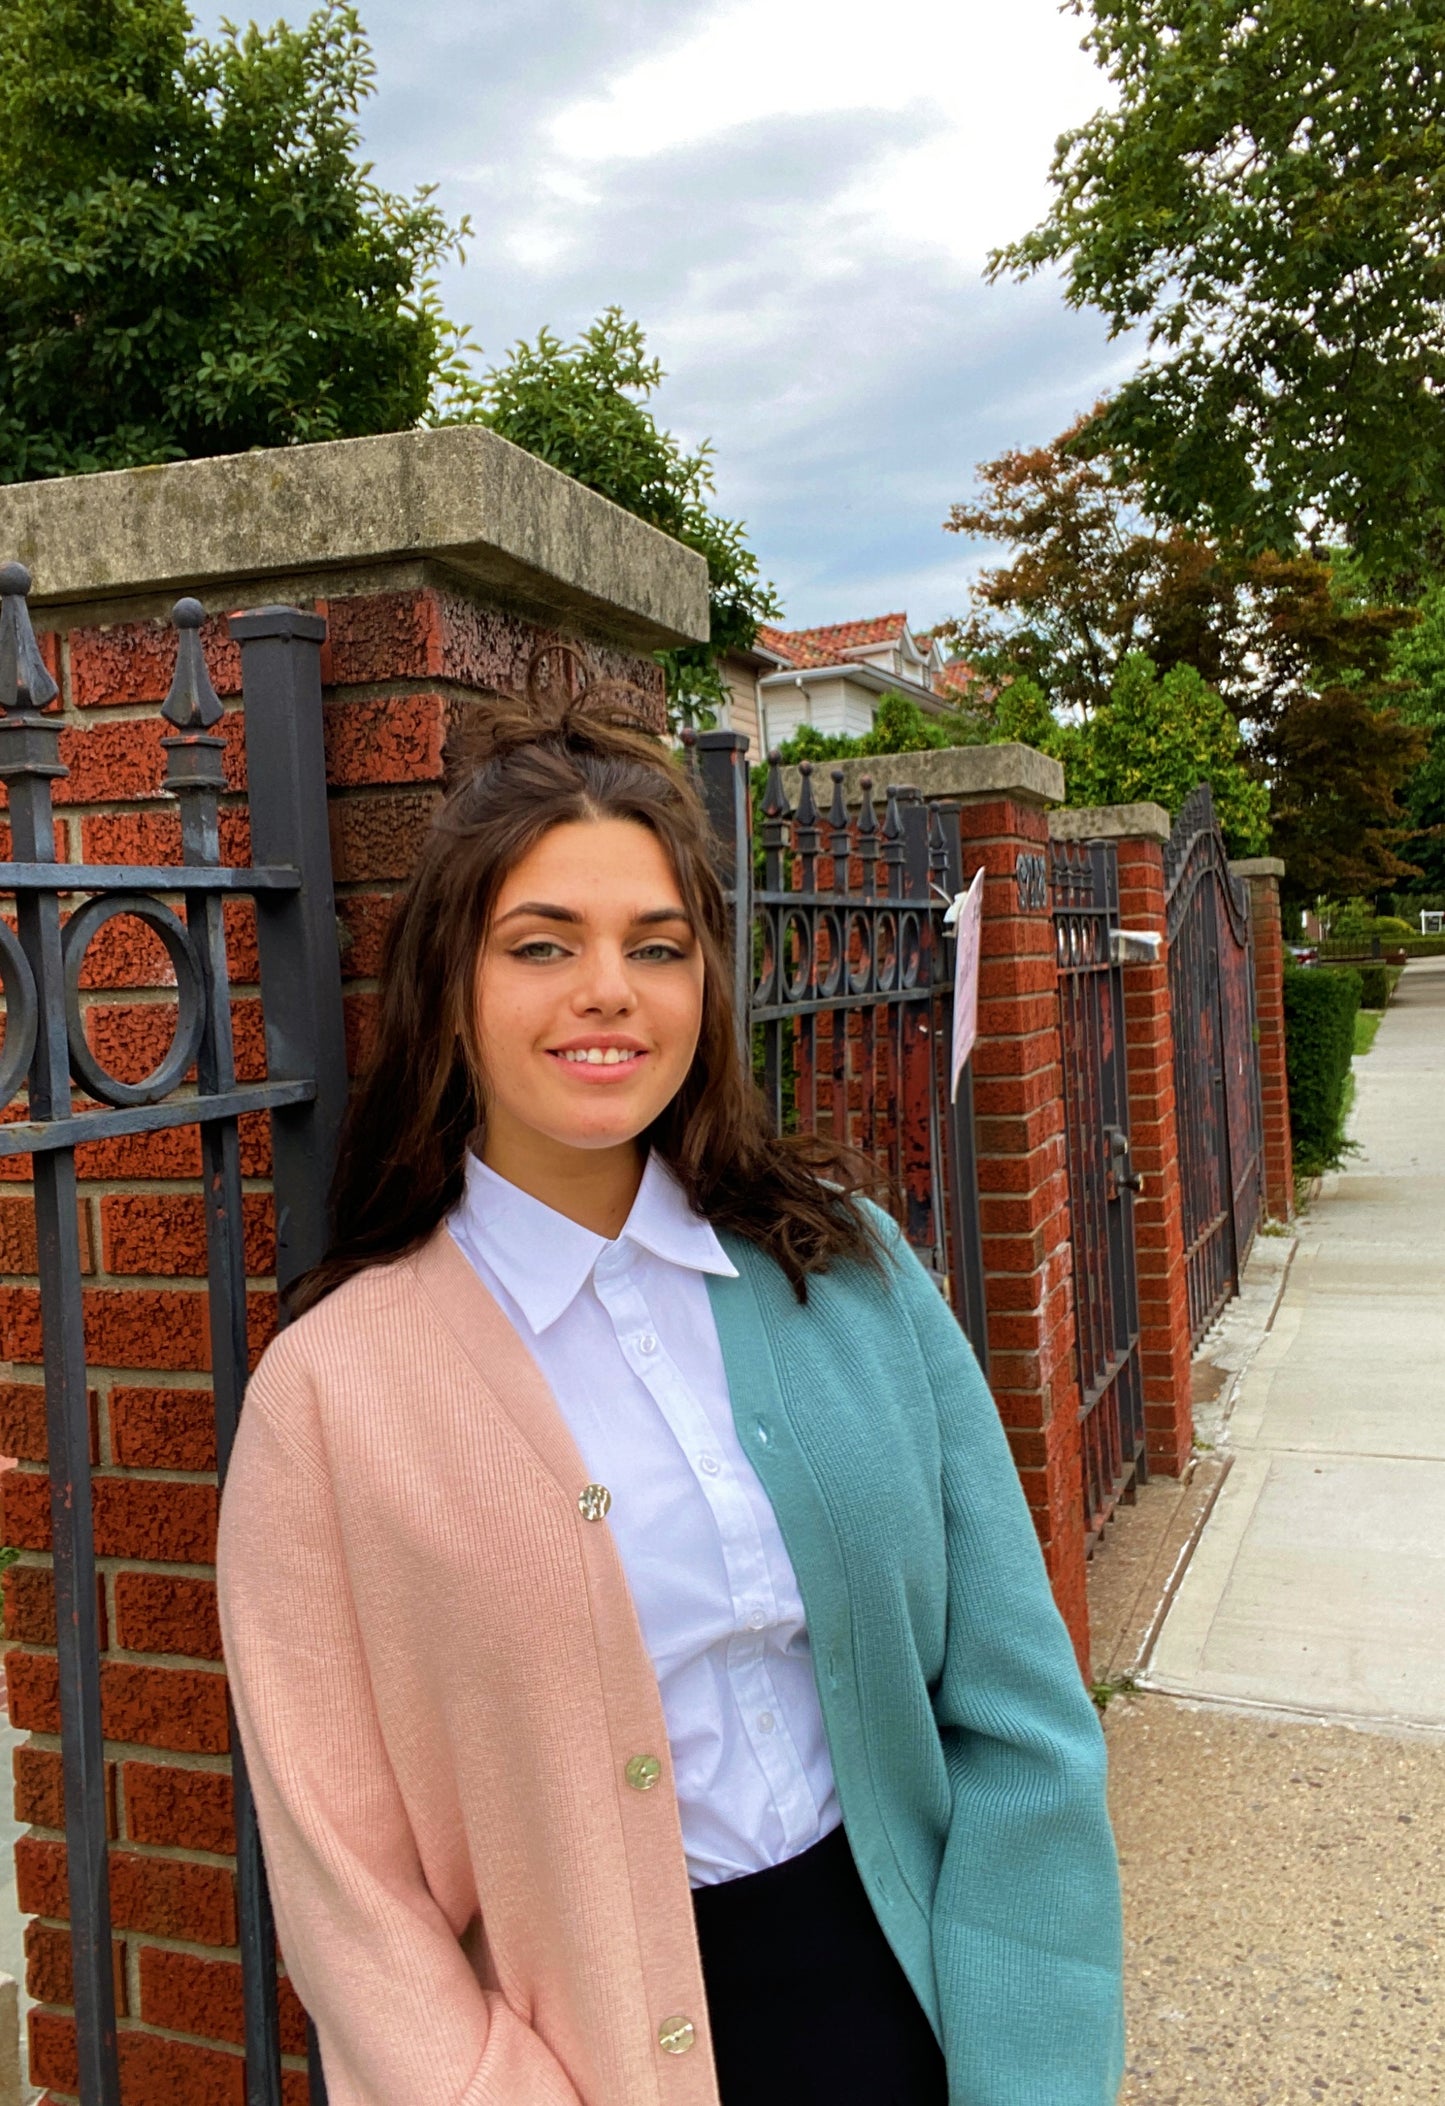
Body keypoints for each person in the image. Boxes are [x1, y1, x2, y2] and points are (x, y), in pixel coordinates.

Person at [217, 698, 1125, 2106]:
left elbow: (1020, 1718)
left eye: (656, 946)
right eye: (542, 946)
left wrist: (1034, 2062)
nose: (609, 990)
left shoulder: (853, 1270)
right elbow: (343, 1886)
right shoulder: (331, 1394)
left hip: (917, 2016)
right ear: (451, 986)